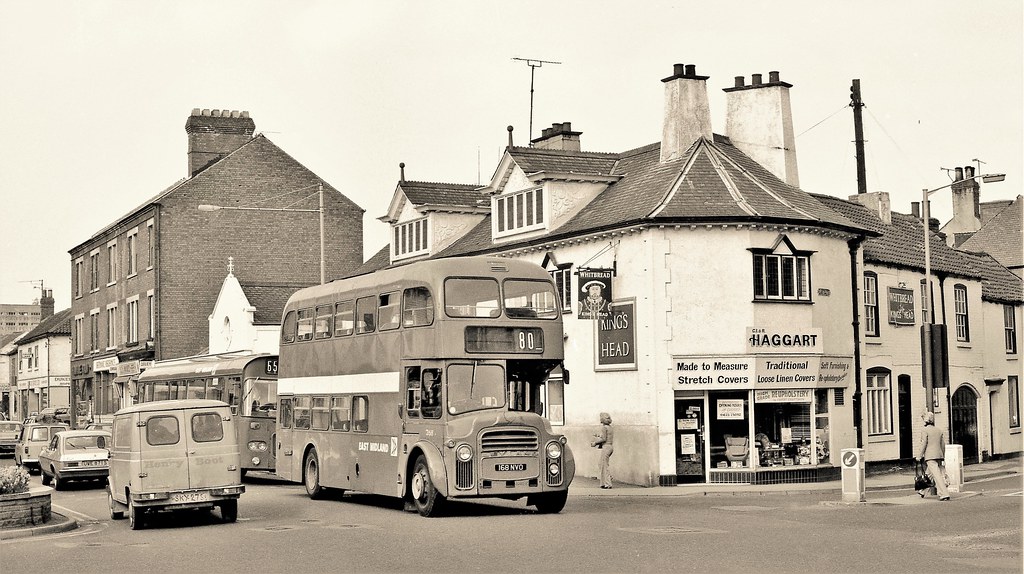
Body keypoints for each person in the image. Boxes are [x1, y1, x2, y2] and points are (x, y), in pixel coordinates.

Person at [917, 411, 950, 501]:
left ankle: (944, 494)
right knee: (929, 474)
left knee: (936, 475)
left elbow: (923, 443)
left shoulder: (924, 430)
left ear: (925, 420)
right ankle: (922, 490)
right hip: (939, 455)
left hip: (930, 456)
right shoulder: (939, 430)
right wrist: (943, 456)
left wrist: (919, 455)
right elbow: (943, 444)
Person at [591, 412, 614, 489]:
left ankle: (608, 483)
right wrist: (598, 436)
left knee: (604, 466)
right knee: (602, 464)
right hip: (610, 447)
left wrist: (595, 442)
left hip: (606, 447)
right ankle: (604, 482)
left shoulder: (604, 428)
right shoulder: (610, 427)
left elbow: (603, 439)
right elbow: (606, 437)